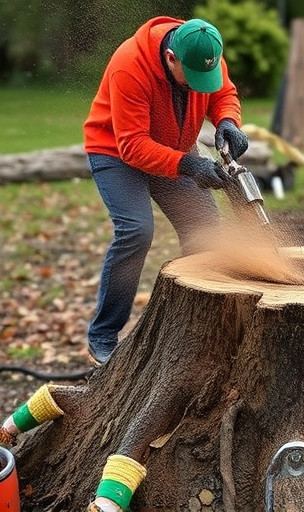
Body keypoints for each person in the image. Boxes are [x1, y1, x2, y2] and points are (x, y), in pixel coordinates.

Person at [83, 16, 248, 365]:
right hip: (117, 153)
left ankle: (195, 325)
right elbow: (133, 146)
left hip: (174, 149)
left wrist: (228, 122)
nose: (198, 86)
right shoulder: (130, 65)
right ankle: (104, 333)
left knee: (206, 231)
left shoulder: (205, 50)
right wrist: (190, 166)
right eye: (192, 79)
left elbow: (224, 94)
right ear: (171, 57)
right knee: (136, 231)